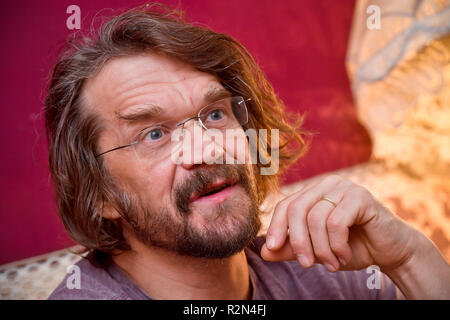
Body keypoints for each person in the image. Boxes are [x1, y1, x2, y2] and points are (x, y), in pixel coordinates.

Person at [46, 4, 450, 300]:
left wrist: (407, 257)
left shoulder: (323, 273)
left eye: (216, 114)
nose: (207, 147)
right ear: (98, 193)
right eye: (154, 134)